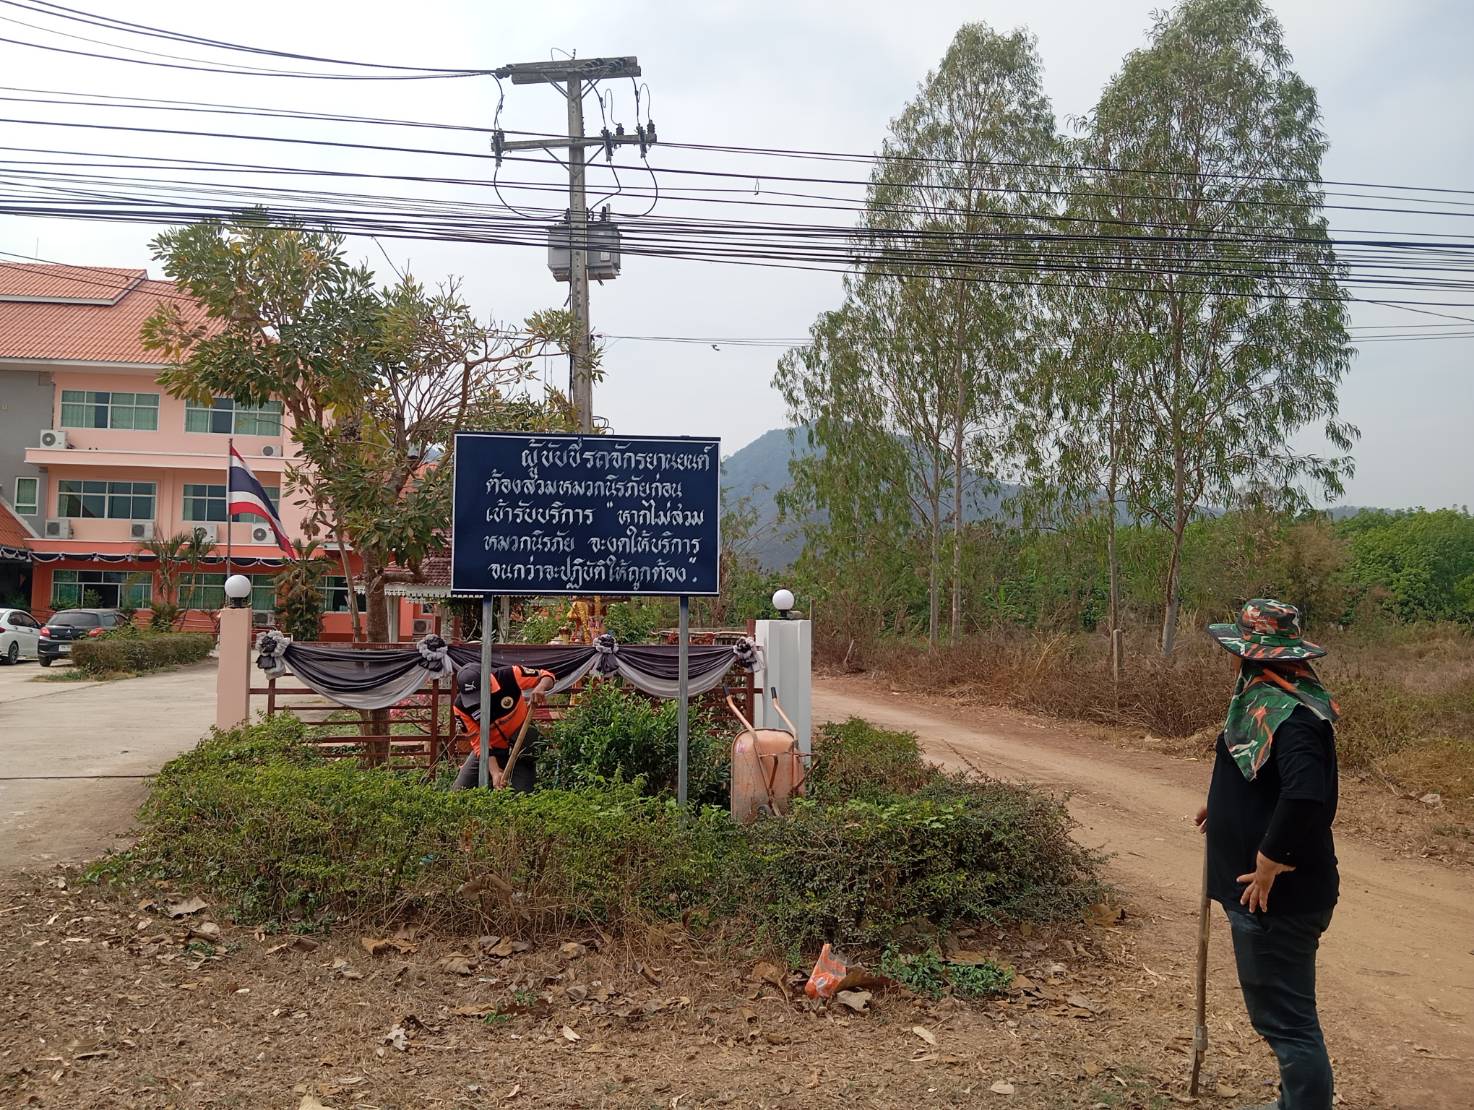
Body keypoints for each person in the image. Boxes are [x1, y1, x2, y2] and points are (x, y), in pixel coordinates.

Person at [1194, 599, 1341, 1110]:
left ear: (1249, 655)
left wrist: (1270, 860)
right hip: (1272, 902)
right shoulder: (1271, 699)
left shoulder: (1292, 715)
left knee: (1289, 1025)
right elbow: (1265, 774)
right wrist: (1224, 806)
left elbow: (1305, 795)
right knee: (1284, 1019)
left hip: (1277, 903)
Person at [450, 661, 555, 792]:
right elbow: (479, 743)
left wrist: (540, 687)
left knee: (522, 794)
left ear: (489, 682)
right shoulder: (461, 707)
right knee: (459, 791)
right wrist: (495, 772)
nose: (479, 701)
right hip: (490, 749)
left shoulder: (510, 675)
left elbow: (547, 676)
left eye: (480, 694)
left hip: (520, 745)